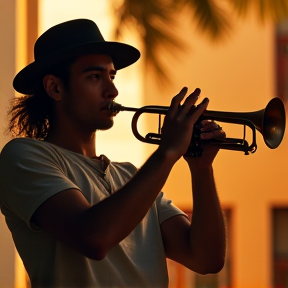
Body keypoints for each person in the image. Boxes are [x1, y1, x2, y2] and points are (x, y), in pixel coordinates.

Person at [0, 18, 226, 288]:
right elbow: (94, 238)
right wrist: (167, 151)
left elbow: (206, 259)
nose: (113, 90)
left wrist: (202, 169)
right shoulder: (24, 156)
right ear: (55, 88)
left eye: (112, 76)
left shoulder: (131, 176)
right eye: (95, 77)